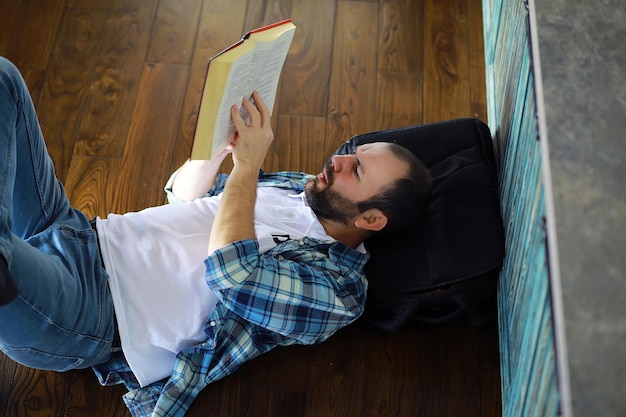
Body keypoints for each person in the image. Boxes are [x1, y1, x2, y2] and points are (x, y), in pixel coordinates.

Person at [0, 57, 432, 416]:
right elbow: (184, 197)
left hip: (87, 313)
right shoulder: (295, 188)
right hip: (78, 233)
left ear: (372, 220)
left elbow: (232, 274)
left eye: (355, 170)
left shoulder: (338, 292)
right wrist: (219, 153)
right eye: (351, 154)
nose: (337, 160)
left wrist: (245, 168)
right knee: (6, 81)